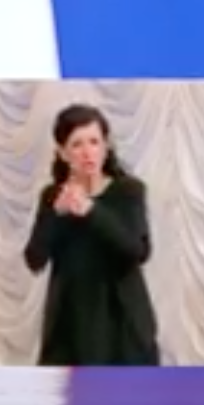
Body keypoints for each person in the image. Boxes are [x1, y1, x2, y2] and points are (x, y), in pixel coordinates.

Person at [23, 103, 160, 366]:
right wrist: (56, 214)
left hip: (122, 325)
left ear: (106, 146)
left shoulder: (128, 191)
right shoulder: (52, 196)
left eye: (94, 142)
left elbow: (137, 251)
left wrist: (91, 211)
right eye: (77, 144)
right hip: (69, 328)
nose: (88, 152)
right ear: (62, 153)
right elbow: (34, 260)